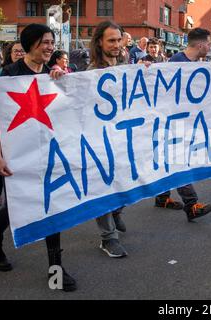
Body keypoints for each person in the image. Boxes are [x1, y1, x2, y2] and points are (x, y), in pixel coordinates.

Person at [0, 23, 76, 292]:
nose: (49, 47)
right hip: (18, 153)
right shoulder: (9, 75)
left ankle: (55, 270)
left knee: (52, 204)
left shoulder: (52, 75)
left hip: (48, 153)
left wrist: (63, 80)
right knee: (16, 205)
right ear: (30, 44)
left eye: (51, 42)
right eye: (44, 42)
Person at [155, 28, 211, 222]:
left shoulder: (195, 64)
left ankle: (162, 197)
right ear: (200, 45)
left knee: (168, 161)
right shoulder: (176, 64)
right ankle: (191, 205)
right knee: (179, 162)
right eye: (209, 43)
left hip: (184, 121)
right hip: (172, 122)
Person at [87, 21, 128, 258]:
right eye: (110, 40)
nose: (115, 44)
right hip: (99, 142)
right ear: (100, 42)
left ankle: (116, 211)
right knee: (103, 187)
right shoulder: (91, 73)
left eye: (118, 39)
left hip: (124, 139)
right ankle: (108, 238)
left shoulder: (126, 68)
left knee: (130, 182)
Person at [0, 41, 25, 213]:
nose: (19, 54)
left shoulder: (32, 73)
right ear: (10, 54)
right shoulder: (4, 73)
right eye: (16, 51)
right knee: (0, 162)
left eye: (23, 51)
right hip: (4, 124)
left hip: (24, 127)